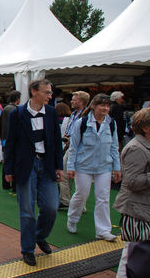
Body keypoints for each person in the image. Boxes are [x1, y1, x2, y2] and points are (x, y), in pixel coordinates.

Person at [4, 79, 64, 266]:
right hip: (25, 167)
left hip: (46, 166)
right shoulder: (18, 114)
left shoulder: (52, 113)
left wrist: (58, 166)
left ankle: (40, 236)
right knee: (27, 210)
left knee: (51, 207)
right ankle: (28, 249)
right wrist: (8, 169)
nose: (50, 95)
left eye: (50, 92)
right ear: (33, 91)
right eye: (46, 92)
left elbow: (56, 140)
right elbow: (11, 142)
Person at [66, 93, 121, 241]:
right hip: (83, 165)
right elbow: (74, 146)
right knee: (81, 194)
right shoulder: (82, 123)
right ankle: (72, 218)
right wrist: (70, 167)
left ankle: (103, 230)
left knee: (103, 197)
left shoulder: (111, 123)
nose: (105, 108)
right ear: (94, 106)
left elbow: (114, 146)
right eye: (102, 105)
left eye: (108, 106)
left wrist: (117, 167)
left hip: (104, 166)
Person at [113, 108, 150, 278]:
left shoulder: (144, 145)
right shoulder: (137, 148)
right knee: (132, 255)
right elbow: (131, 183)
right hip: (137, 210)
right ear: (146, 127)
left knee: (133, 254)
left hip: (142, 208)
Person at [59, 91, 90, 209]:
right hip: (70, 147)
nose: (71, 101)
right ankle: (66, 201)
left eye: (74, 99)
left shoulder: (86, 116)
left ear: (81, 102)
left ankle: (79, 205)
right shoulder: (73, 114)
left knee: (80, 178)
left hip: (81, 149)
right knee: (65, 174)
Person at [0, 90, 21, 189]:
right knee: (15, 160)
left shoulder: (5, 108)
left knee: (7, 159)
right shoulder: (15, 110)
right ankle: (15, 185)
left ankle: (6, 183)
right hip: (12, 138)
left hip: (4, 137)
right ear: (18, 99)